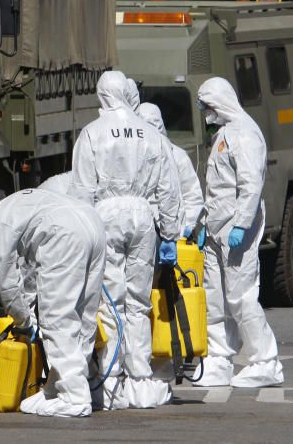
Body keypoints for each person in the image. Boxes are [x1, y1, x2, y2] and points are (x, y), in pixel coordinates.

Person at [69, 72, 181, 409]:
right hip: (143, 217)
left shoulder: (92, 133)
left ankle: (111, 377)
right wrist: (171, 233)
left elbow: (82, 190)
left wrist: (81, 235)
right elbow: (169, 187)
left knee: (110, 301)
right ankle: (140, 377)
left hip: (106, 216)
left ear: (103, 95)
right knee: (139, 302)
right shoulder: (150, 133)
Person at [192, 77, 284, 388]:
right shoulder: (224, 134)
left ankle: (265, 361)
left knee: (241, 297)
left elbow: (250, 185)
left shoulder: (244, 133)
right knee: (215, 297)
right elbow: (217, 189)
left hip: (236, 230)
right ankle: (219, 359)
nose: (205, 112)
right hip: (218, 229)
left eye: (206, 106)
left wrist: (242, 224)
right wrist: (206, 225)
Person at [0, 188, 105, 417]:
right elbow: (30, 274)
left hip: (62, 231)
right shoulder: (19, 205)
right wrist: (27, 307)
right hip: (92, 222)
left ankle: (74, 397)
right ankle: (64, 386)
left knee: (57, 318)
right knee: (84, 315)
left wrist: (22, 319)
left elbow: (5, 278)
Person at [139, 102, 205, 236]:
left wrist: (188, 225)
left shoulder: (178, 155)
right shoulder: (134, 157)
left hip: (175, 229)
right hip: (143, 230)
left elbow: (192, 194)